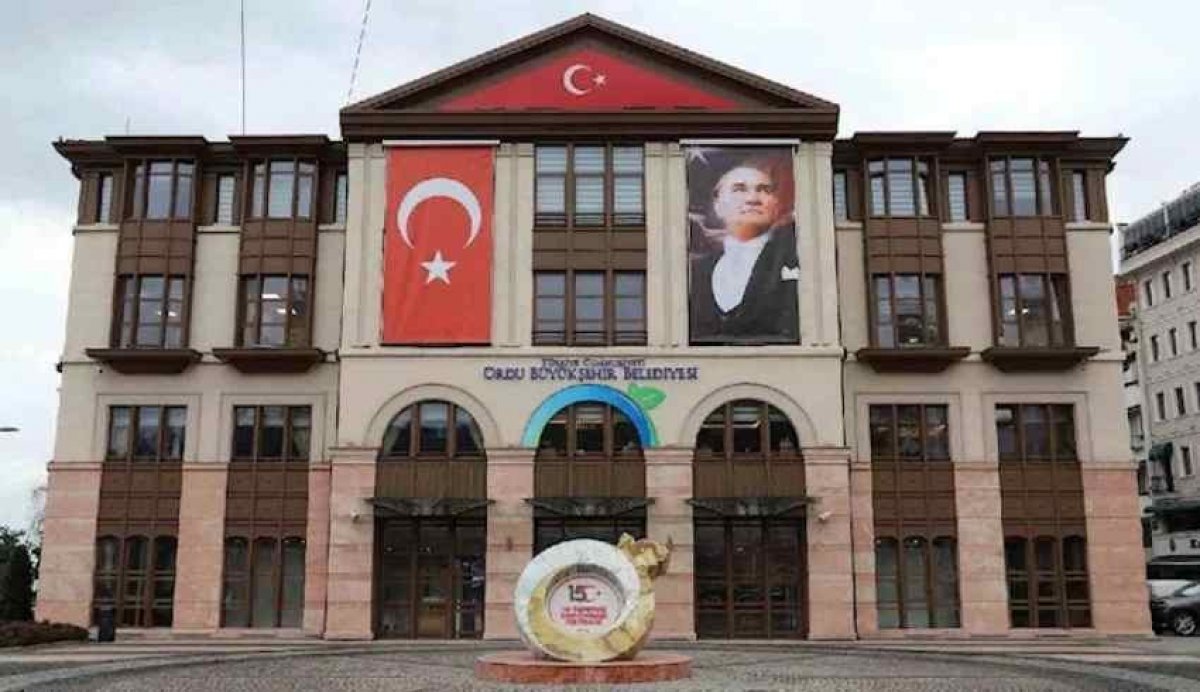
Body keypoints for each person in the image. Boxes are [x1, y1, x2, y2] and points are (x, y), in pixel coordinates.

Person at [689, 158, 799, 343]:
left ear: (776, 204)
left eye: (764, 190)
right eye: (739, 189)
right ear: (717, 204)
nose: (753, 199)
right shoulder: (697, 270)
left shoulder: (793, 256)